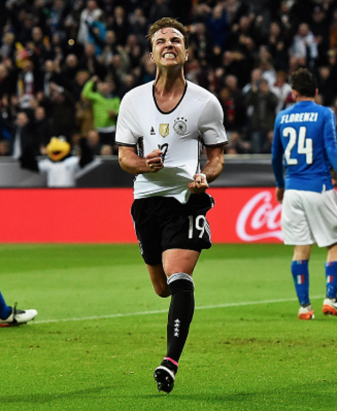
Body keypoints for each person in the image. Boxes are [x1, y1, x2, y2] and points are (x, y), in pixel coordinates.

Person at [115, 17, 227, 394]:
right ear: (151, 54)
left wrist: (204, 178)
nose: (169, 44)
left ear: (186, 52)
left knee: (179, 278)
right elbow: (124, 158)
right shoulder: (133, 101)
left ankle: (170, 362)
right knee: (161, 288)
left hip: (186, 201)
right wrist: (143, 163)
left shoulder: (205, 103)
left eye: (175, 40)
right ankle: (172, 348)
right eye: (161, 40)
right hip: (146, 202)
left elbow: (216, 159)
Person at [271, 68, 337, 322]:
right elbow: (331, 148)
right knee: (335, 243)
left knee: (301, 246)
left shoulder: (282, 117)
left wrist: (280, 184)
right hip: (318, 186)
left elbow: (275, 157)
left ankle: (305, 307)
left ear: (293, 93)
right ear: (316, 92)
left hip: (293, 189)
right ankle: (331, 298)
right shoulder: (324, 113)